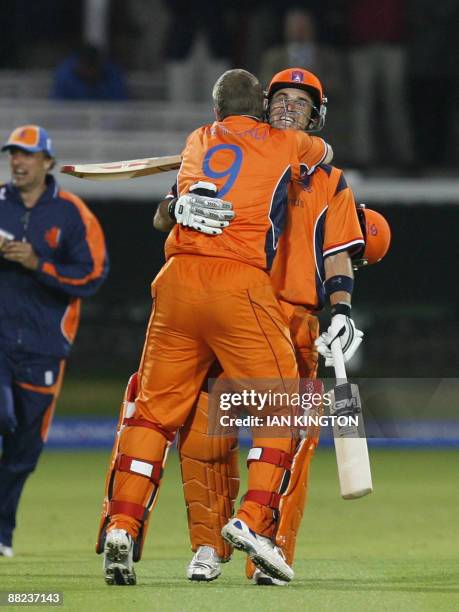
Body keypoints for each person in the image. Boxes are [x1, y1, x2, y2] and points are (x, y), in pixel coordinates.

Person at [98, 68, 333, 585]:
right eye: (281, 100)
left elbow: (170, 213)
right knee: (283, 408)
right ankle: (249, 523)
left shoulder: (197, 141)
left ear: (214, 112)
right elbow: (323, 153)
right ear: (264, 106)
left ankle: (122, 524)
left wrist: (179, 199)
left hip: (176, 283)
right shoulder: (289, 143)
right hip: (240, 291)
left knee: (153, 414)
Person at [175, 67, 367, 584]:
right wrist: (176, 201)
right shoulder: (237, 158)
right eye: (279, 98)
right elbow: (181, 217)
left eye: (300, 104)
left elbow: (339, 254)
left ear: (315, 117)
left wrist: (343, 310)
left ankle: (270, 545)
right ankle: (208, 548)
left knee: (294, 438)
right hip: (232, 308)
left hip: (293, 321)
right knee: (205, 434)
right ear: (262, 106)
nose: (287, 107)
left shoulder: (330, 181)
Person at [0, 125, 109, 557]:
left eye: (26, 155)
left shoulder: (72, 214)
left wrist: (37, 263)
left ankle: (2, 533)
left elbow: (92, 274)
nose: (18, 162)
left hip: (44, 347)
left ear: (47, 161)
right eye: (13, 155)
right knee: (2, 418)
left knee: (25, 451)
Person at [51, 45, 127, 101]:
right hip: (72, 119)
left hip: (104, 118)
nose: (90, 72)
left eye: (92, 68)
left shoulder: (112, 76)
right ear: (80, 64)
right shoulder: (65, 77)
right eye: (87, 68)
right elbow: (58, 105)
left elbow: (120, 103)